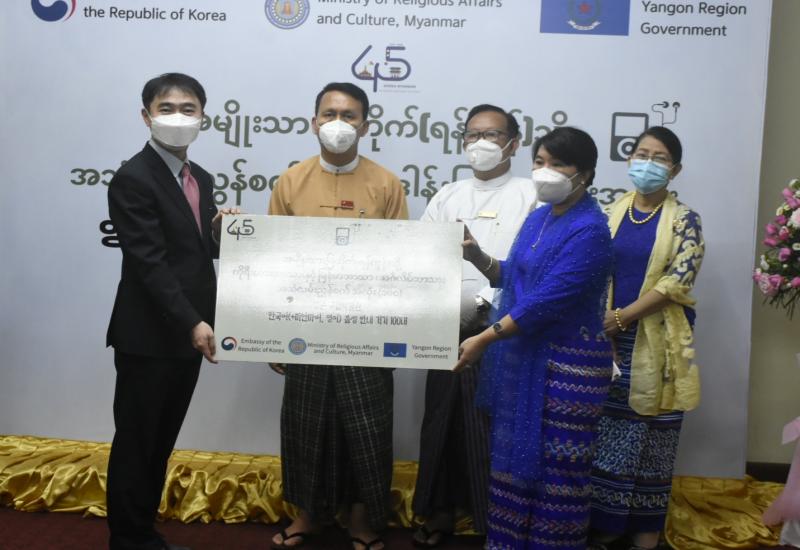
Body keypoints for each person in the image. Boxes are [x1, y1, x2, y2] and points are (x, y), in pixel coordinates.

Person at [455, 126, 614, 549]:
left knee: (558, 470)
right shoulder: (539, 217)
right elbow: (515, 276)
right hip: (524, 360)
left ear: (584, 174)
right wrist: (477, 255)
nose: (545, 172)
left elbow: (546, 301)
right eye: (540, 162)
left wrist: (484, 338)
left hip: (570, 369)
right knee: (512, 465)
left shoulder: (591, 230)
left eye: (558, 164)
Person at [267, 82, 408, 550]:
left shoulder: (387, 184)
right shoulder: (290, 182)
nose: (338, 124)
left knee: (366, 429)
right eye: (329, 114)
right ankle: (308, 515)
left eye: (349, 116)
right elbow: (272, 263)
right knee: (306, 425)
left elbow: (400, 263)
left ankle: (362, 520)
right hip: (303, 327)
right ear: (313, 123)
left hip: (367, 330)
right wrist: (272, 335)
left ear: (365, 126)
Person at [106, 73, 238, 550]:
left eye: (188, 109)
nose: (178, 117)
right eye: (166, 108)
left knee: (159, 443)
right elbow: (151, 264)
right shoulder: (133, 178)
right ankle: (128, 540)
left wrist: (223, 233)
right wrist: (193, 322)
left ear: (203, 117)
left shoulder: (198, 176)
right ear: (146, 116)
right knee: (138, 442)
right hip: (150, 336)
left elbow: (195, 252)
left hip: (187, 334)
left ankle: (143, 533)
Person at [411, 104, 536, 548]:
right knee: (441, 422)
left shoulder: (531, 196)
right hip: (445, 328)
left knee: (494, 427)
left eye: (492, 135)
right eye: (472, 134)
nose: (480, 143)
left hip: (505, 332)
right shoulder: (448, 195)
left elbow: (530, 265)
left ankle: (494, 523)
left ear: (513, 144)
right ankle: (439, 513)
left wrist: (486, 303)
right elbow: (422, 255)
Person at [588, 126, 704, 550]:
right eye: (642, 154)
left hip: (658, 341)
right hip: (607, 338)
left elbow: (677, 281)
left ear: (675, 169)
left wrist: (623, 318)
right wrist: (607, 325)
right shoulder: (608, 212)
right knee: (609, 436)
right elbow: (592, 271)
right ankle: (605, 526)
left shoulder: (686, 220)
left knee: (654, 437)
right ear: (629, 159)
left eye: (660, 158)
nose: (648, 163)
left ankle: (644, 531)